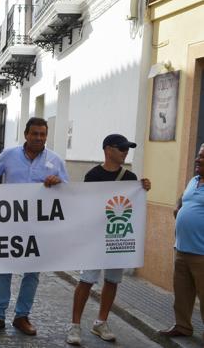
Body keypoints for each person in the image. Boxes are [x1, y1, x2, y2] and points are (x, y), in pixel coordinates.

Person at [0, 117, 68, 336]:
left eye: (42, 134)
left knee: (32, 273)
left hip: (38, 226)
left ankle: (21, 316)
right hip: (8, 224)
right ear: (26, 134)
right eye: (35, 133)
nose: (39, 138)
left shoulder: (55, 161)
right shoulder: (9, 155)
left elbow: (67, 192)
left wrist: (58, 184)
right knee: (2, 270)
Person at [66, 134, 151, 345]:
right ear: (108, 150)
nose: (125, 152)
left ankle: (100, 322)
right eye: (121, 148)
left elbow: (133, 206)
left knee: (112, 281)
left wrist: (144, 187)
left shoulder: (131, 178)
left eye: (127, 149)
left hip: (117, 237)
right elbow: (85, 205)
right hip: (95, 238)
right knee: (86, 280)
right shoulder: (93, 175)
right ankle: (74, 326)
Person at [159, 143, 204, 338]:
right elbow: (183, 198)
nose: (197, 159)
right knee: (182, 295)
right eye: (198, 155)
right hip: (182, 249)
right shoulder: (194, 180)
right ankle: (183, 326)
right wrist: (179, 207)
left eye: (202, 157)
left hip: (202, 253)